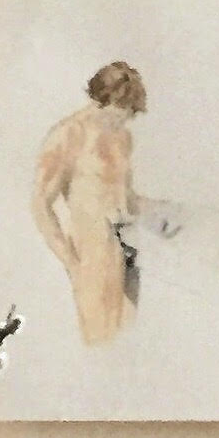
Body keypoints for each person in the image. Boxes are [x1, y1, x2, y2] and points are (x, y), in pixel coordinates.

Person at [30, 60, 165, 346]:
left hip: (129, 250)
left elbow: (125, 196)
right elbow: (41, 203)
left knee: (130, 340)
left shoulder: (122, 137)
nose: (124, 120)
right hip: (92, 253)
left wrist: (161, 212)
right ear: (102, 99)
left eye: (129, 113)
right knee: (101, 341)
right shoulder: (69, 134)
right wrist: (71, 262)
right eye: (120, 112)